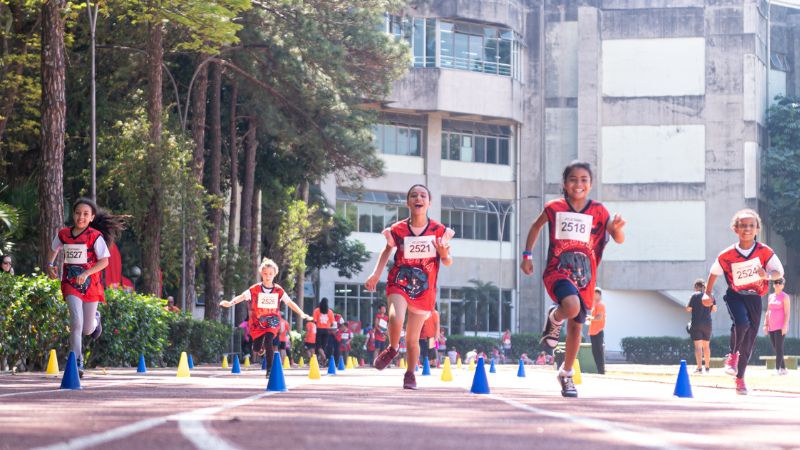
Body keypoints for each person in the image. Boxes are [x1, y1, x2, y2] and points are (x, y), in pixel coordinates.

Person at [520, 161, 626, 397]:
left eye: (584, 180)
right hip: (558, 269)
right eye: (573, 180)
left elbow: (617, 238)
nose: (578, 184)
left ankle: (566, 374)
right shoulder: (554, 207)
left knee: (577, 327)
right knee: (570, 306)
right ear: (565, 184)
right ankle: (555, 317)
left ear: (590, 184)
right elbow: (535, 227)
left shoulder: (599, 211)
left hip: (585, 276)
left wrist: (617, 228)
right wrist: (527, 255)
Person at [366, 184, 455, 390]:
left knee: (414, 339)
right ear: (408, 202)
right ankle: (393, 347)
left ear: (429, 202)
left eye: (423, 195)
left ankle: (410, 374)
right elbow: (387, 250)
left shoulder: (439, 231)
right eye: (414, 195)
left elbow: (448, 261)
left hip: (424, 289)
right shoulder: (398, 229)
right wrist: (376, 273)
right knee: (396, 317)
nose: (418, 198)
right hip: (399, 281)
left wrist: (443, 254)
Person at [704, 208, 784, 395]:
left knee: (749, 341)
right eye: (742, 226)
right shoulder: (727, 255)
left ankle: (740, 379)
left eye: (751, 225)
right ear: (735, 229)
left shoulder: (765, 252)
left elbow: (779, 272)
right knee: (741, 323)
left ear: (757, 229)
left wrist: (767, 275)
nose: (747, 229)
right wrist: (707, 294)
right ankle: (732, 356)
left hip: (755, 298)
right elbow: (713, 273)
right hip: (735, 295)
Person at [46, 198, 126, 378]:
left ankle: (96, 320)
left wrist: (86, 273)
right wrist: (50, 264)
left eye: (85, 214)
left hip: (91, 286)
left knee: (87, 329)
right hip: (70, 283)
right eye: (77, 213)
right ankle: (76, 361)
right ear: (72, 214)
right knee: (76, 322)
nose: (80, 217)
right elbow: (53, 249)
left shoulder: (95, 236)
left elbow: (104, 261)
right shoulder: (63, 234)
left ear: (91, 217)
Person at [220, 258, 312, 377]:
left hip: (272, 320)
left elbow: (290, 303)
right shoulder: (255, 289)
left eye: (270, 274)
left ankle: (269, 369)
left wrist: (301, 313)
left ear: (275, 274)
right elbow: (242, 296)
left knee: (269, 341)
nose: (268, 276)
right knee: (256, 348)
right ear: (261, 274)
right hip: (257, 321)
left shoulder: (278, 290)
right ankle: (260, 346)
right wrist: (230, 303)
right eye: (265, 273)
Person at [686, 279, 716, 374]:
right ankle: (707, 368)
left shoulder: (694, 296)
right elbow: (714, 309)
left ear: (696, 287)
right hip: (707, 323)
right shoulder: (710, 296)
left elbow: (688, 309)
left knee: (698, 347)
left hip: (696, 322)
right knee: (706, 346)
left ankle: (699, 368)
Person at [764, 277, 791, 375]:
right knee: (776, 348)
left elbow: (787, 313)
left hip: (780, 326)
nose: (777, 284)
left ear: (783, 285)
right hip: (771, 326)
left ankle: (777, 369)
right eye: (776, 282)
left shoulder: (785, 297)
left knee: (779, 347)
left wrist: (785, 326)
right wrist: (765, 324)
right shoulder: (770, 296)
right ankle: (783, 369)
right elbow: (768, 311)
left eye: (780, 283)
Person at [587, 287, 607, 375]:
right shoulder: (594, 305)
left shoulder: (600, 305)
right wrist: (590, 319)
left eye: (597, 293)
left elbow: (599, 317)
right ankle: (599, 371)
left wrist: (590, 318)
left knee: (599, 351)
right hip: (592, 332)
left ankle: (601, 371)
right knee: (595, 352)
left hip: (598, 331)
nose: (595, 294)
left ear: (599, 295)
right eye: (594, 292)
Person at [313, 298, 335, 364]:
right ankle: (322, 360)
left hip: (319, 330)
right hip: (326, 330)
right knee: (324, 346)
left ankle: (323, 357)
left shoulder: (316, 310)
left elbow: (314, 321)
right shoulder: (330, 312)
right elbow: (332, 323)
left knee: (318, 346)